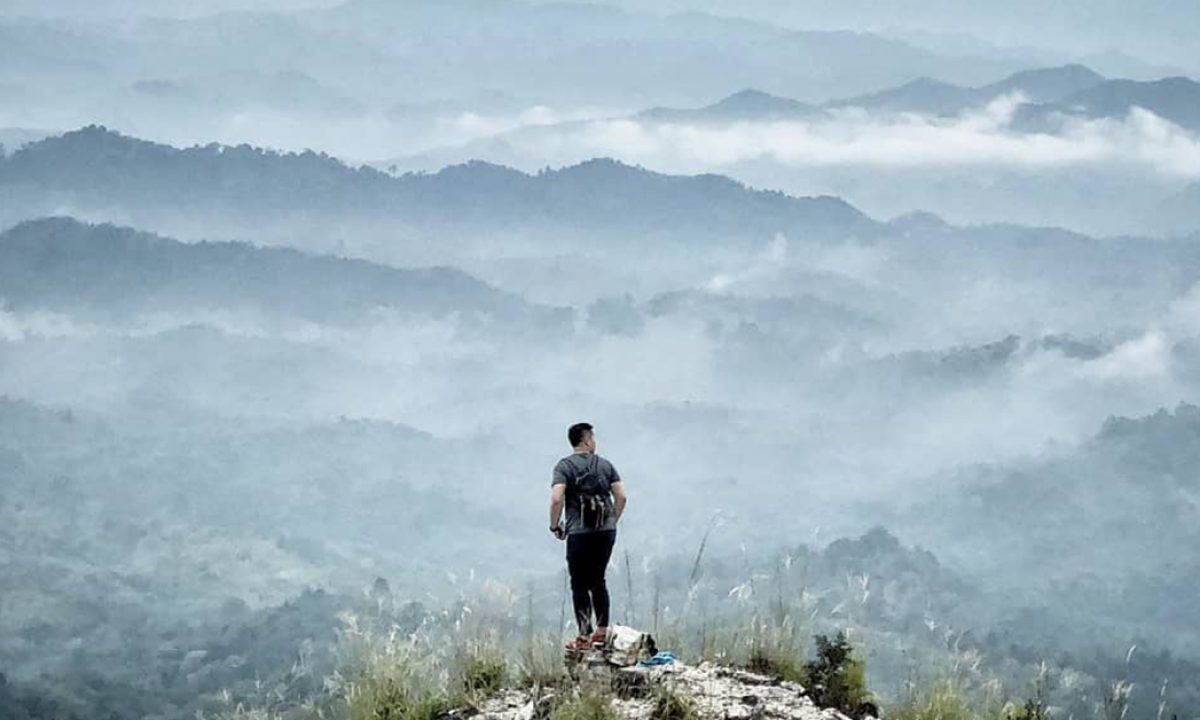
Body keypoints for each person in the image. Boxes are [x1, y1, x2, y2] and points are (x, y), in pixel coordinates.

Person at [549, 422, 628, 651]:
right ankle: (602, 632)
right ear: (586, 440)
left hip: (578, 533)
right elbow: (621, 496)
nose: (594, 441)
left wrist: (555, 526)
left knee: (579, 583)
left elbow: (556, 499)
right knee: (598, 579)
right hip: (605, 532)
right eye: (592, 437)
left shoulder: (564, 467)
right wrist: (612, 520)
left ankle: (584, 636)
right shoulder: (606, 465)